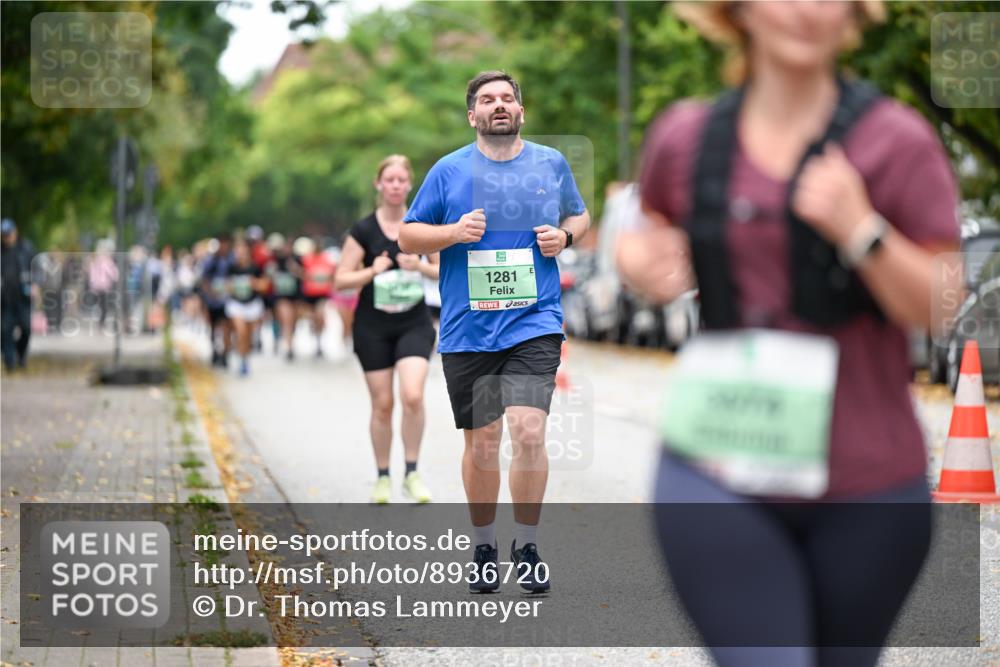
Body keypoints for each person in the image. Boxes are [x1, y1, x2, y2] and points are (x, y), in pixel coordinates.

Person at [617, 3, 960, 665]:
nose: (805, 9)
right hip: (716, 468)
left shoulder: (897, 142)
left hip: (868, 485)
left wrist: (863, 229)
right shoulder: (684, 137)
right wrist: (642, 262)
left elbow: (946, 305)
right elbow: (642, 229)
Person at [399, 70, 590, 592]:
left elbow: (581, 214)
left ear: (521, 111)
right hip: (469, 329)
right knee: (483, 442)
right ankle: (484, 545)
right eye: (488, 100)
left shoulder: (550, 164)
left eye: (508, 98)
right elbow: (408, 234)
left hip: (535, 321)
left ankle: (525, 545)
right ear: (473, 116)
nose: (499, 105)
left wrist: (565, 236)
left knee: (529, 430)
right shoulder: (448, 170)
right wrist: (453, 233)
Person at [335, 155, 439, 505]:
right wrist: (371, 271)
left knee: (412, 395)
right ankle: (382, 476)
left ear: (410, 184)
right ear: (379, 185)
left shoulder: (422, 224)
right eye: (388, 179)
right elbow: (341, 279)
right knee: (382, 405)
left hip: (414, 322)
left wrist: (420, 266)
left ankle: (411, 472)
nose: (395, 185)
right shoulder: (363, 231)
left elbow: (442, 271)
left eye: (401, 179)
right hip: (373, 326)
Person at [225, 239, 267, 376]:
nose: (240, 253)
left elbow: (265, 286)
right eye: (238, 250)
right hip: (236, 304)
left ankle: (244, 358)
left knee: (247, 335)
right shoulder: (231, 267)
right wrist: (231, 287)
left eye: (243, 250)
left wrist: (253, 283)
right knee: (241, 331)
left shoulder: (256, 268)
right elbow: (225, 286)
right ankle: (240, 356)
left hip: (252, 304)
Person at [1, 219, 36, 370]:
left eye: (9, 234)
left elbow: (37, 267)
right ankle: (10, 362)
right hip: (5, 298)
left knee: (26, 328)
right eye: (4, 235)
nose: (7, 238)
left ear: (15, 233)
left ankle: (20, 355)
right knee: (5, 330)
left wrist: (36, 285)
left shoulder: (26, 248)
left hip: (23, 297)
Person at [295, 237, 334, 358]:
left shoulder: (326, 259)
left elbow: (332, 274)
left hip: (322, 293)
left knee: (320, 314)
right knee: (311, 317)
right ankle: (316, 335)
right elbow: (300, 273)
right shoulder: (306, 259)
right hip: (309, 293)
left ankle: (319, 342)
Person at [200, 235, 234, 367]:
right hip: (213, 301)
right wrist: (210, 293)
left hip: (227, 300)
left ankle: (225, 352)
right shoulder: (211, 261)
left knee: (226, 326)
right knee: (214, 328)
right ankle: (215, 350)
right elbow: (205, 280)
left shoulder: (232, 260)